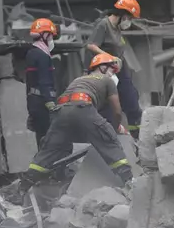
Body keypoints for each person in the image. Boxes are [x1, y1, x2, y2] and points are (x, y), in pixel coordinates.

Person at [24, 53, 134, 185]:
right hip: (82, 106)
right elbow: (117, 112)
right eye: (112, 70)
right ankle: (130, 181)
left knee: (50, 149)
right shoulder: (107, 81)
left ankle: (23, 186)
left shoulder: (78, 80)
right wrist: (115, 128)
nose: (113, 74)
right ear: (103, 67)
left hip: (60, 111)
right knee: (108, 139)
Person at [86, 0, 143, 139]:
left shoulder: (117, 29)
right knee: (108, 106)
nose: (129, 21)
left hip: (119, 69)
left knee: (131, 99)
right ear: (122, 14)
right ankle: (108, 135)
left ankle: (137, 135)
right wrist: (109, 58)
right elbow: (91, 45)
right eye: (129, 17)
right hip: (106, 69)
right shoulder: (103, 25)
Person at [25, 18, 58, 148]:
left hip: (34, 100)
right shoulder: (43, 55)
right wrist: (50, 102)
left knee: (41, 138)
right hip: (42, 101)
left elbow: (30, 80)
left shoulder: (31, 53)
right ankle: (46, 166)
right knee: (47, 139)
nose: (51, 39)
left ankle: (42, 165)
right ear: (43, 35)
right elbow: (44, 80)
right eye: (50, 35)